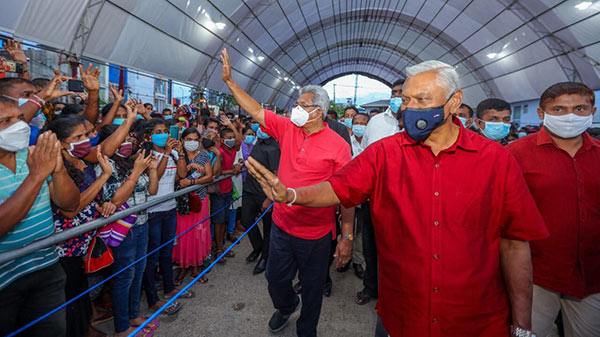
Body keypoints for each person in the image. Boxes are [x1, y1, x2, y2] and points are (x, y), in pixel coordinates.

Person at [245, 60, 550, 337]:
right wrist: (293, 195)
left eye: (422, 100)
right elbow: (339, 188)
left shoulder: (496, 160)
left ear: (454, 101)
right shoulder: (384, 153)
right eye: (406, 100)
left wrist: (522, 326)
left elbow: (514, 244)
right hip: (403, 315)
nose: (410, 108)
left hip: (475, 319)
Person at [221, 48, 354, 337]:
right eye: (295, 103)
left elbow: (346, 196)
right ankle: (286, 305)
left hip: (316, 235)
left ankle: (307, 330)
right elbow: (256, 109)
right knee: (275, 278)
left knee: (314, 288)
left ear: (318, 111)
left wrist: (346, 236)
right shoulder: (287, 129)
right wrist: (230, 82)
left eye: (301, 104)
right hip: (282, 225)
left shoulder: (339, 146)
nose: (294, 109)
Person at [507, 82, 600, 337]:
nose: (570, 116)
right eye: (558, 109)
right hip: (536, 276)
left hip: (591, 276)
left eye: (580, 108)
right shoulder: (515, 154)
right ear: (541, 114)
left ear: (592, 112)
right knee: (533, 332)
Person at [0, 95, 79, 337]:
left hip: (46, 266)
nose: (19, 126)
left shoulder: (34, 156)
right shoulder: (37, 166)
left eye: (20, 118)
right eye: (5, 121)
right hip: (4, 279)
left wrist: (56, 170)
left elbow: (70, 205)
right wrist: (36, 176)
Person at [48, 114, 115, 337]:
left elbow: (92, 197)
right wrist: (104, 177)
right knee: (69, 297)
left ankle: (86, 327)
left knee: (80, 291)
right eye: (79, 136)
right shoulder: (56, 169)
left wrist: (103, 204)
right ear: (60, 142)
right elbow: (71, 209)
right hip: (65, 247)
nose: (87, 139)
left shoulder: (85, 160)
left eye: (87, 134)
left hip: (85, 241)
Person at [96, 123, 160, 336]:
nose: (129, 142)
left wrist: (150, 170)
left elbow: (151, 191)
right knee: (125, 277)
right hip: (123, 230)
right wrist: (139, 170)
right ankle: (121, 327)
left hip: (142, 223)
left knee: (138, 272)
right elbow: (114, 200)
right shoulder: (105, 166)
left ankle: (134, 314)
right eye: (122, 139)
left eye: (130, 137)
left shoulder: (130, 162)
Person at [355, 78, 403, 306]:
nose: (397, 97)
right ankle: (370, 287)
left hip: (403, 201)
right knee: (370, 245)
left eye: (402, 93)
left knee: (397, 250)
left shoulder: (421, 125)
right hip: (373, 197)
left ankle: (393, 293)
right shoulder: (375, 123)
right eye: (394, 93)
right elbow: (364, 157)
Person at [142, 118, 192, 314]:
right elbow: (157, 178)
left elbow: (180, 175)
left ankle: (169, 289)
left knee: (166, 252)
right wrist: (163, 154)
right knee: (152, 256)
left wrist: (178, 152)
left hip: (170, 209)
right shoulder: (146, 155)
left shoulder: (172, 153)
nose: (163, 134)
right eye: (158, 131)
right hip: (153, 211)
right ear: (150, 135)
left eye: (165, 130)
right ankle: (152, 299)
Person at [173, 128, 213, 284]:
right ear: (182, 140)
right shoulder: (176, 155)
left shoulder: (203, 155)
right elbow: (176, 178)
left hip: (199, 199)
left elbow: (209, 177)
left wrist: (192, 182)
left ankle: (197, 266)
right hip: (181, 202)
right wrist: (189, 168)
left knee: (198, 233)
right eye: (189, 139)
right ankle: (183, 267)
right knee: (183, 235)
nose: (192, 142)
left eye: (196, 139)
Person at [242, 125, 280, 275]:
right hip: (250, 190)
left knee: (268, 228)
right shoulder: (258, 142)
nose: (261, 129)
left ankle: (265, 257)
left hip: (265, 194)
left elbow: (275, 175)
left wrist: (269, 199)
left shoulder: (274, 148)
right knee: (246, 220)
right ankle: (258, 246)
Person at [211, 116, 242, 261]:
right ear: (222, 140)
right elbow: (217, 173)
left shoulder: (232, 150)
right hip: (218, 191)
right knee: (218, 221)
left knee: (223, 220)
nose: (231, 140)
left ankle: (221, 246)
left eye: (232, 137)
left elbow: (238, 141)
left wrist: (231, 125)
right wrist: (232, 171)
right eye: (228, 138)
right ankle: (217, 250)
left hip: (228, 189)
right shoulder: (219, 151)